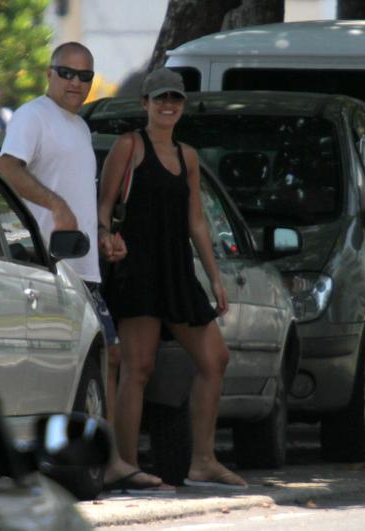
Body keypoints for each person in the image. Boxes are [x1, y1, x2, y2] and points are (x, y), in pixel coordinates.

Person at [0, 41, 169, 493]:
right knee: (104, 356)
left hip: (85, 261)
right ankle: (103, 461)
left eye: (85, 76)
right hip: (51, 265)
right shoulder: (33, 116)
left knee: (102, 358)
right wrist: (54, 205)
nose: (76, 83)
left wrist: (103, 233)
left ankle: (96, 460)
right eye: (67, 73)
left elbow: (76, 192)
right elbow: (8, 167)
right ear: (49, 73)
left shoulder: (76, 126)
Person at [97, 67, 247, 489]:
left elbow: (196, 221)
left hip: (177, 269)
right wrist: (106, 236)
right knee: (137, 367)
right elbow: (104, 206)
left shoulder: (188, 156)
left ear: (183, 105)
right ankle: (127, 465)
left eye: (175, 99)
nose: (167, 105)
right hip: (137, 269)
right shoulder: (129, 146)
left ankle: (202, 459)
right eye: (160, 98)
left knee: (215, 358)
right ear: (144, 103)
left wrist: (215, 278)